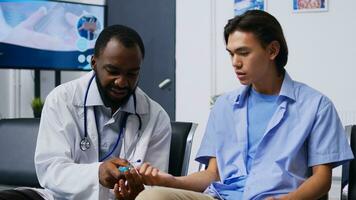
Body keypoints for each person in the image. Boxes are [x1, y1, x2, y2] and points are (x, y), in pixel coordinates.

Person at [130, 10, 354, 200]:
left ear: (272, 51)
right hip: (220, 196)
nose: (235, 63)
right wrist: (170, 180)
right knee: (151, 196)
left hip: (277, 197)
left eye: (244, 53)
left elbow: (322, 180)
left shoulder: (316, 105)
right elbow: (212, 175)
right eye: (231, 54)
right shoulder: (224, 106)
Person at [0, 24, 171, 200]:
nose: (122, 82)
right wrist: (97, 172)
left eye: (131, 74)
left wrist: (137, 190)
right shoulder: (62, 99)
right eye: (113, 71)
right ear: (94, 63)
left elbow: (153, 188)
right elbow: (50, 170)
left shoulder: (156, 118)